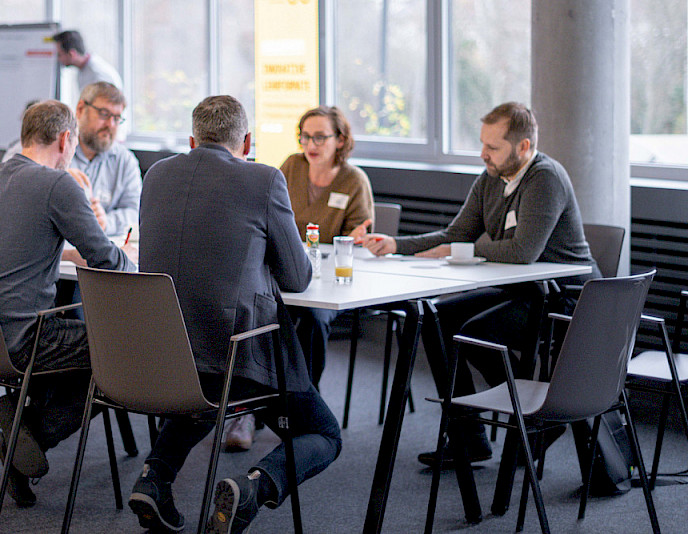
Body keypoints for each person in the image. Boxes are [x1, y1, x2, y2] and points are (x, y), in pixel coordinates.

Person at [129, 95, 341, 534]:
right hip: (237, 357)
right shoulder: (264, 180)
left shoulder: (157, 175)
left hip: (163, 353)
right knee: (324, 435)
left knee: (205, 396)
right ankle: (254, 487)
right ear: (246, 141)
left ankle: (154, 478)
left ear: (192, 140)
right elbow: (297, 278)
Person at [363, 101, 600, 466]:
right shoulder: (492, 177)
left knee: (475, 332)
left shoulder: (545, 177)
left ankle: (533, 413)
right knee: (437, 318)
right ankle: (469, 436)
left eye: (493, 147)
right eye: (482, 144)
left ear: (523, 147)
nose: (483, 154)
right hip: (523, 292)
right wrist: (397, 245)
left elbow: (523, 251)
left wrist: (461, 249)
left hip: (566, 300)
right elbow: (455, 233)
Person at [0, 100, 136, 507]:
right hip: (22, 340)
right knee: (116, 350)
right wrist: (135, 264)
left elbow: (13, 245)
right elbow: (107, 259)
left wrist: (65, 254)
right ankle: (32, 430)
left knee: (76, 343)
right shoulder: (58, 185)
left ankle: (20, 428)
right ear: (66, 139)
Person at [282, 106, 374, 387]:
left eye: (320, 137)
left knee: (313, 317)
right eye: (305, 137)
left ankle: (306, 399)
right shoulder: (291, 167)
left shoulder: (353, 180)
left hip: (331, 280)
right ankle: (261, 400)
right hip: (289, 273)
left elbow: (358, 243)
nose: (311, 145)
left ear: (341, 139)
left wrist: (357, 239)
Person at [67, 82, 141, 236]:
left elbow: (136, 212)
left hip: (103, 250)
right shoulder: (55, 150)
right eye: (104, 114)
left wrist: (106, 222)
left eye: (116, 118)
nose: (110, 125)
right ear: (80, 109)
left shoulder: (125, 161)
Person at [52, 30, 122, 91]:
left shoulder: (98, 74)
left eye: (59, 55)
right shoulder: (82, 70)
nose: (58, 59)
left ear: (71, 54)